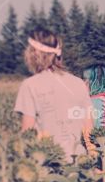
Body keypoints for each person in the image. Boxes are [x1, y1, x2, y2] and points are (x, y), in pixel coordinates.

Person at [14, 29, 94, 160]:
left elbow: (27, 134)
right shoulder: (79, 83)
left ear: (34, 53)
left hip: (49, 163)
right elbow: (89, 129)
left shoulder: (30, 85)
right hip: (80, 164)